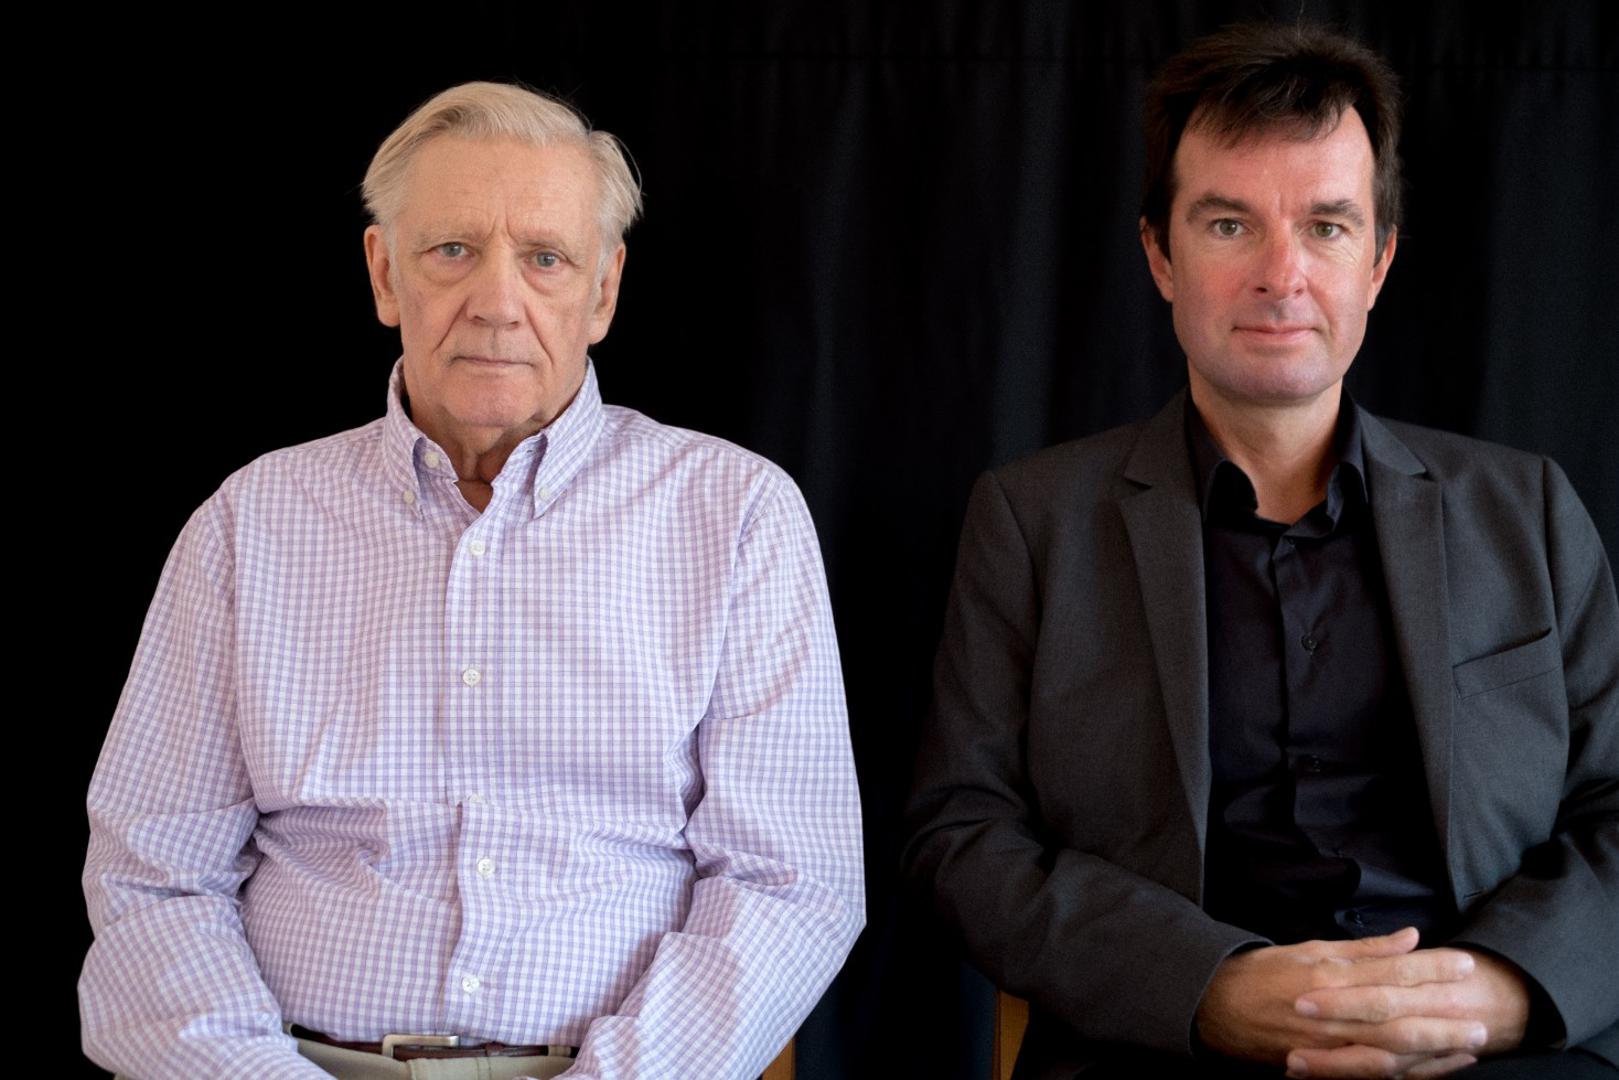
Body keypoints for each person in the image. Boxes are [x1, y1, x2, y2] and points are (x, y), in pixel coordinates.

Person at [81, 82, 864, 1080]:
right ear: (384, 274)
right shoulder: (251, 522)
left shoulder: (736, 515)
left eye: (545, 258)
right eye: (452, 250)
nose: (497, 301)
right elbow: (154, 880)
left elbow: (787, 884)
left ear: (603, 290)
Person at [905, 23, 1617, 1080]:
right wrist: (1210, 990)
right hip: (1157, 1048)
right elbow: (961, 836)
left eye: (1325, 226)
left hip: (1486, 1053)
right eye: (1229, 224)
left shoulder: (1527, 510)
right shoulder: (1031, 519)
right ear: (1160, 255)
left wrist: (1500, 991)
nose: (1281, 275)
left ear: (1377, 262)